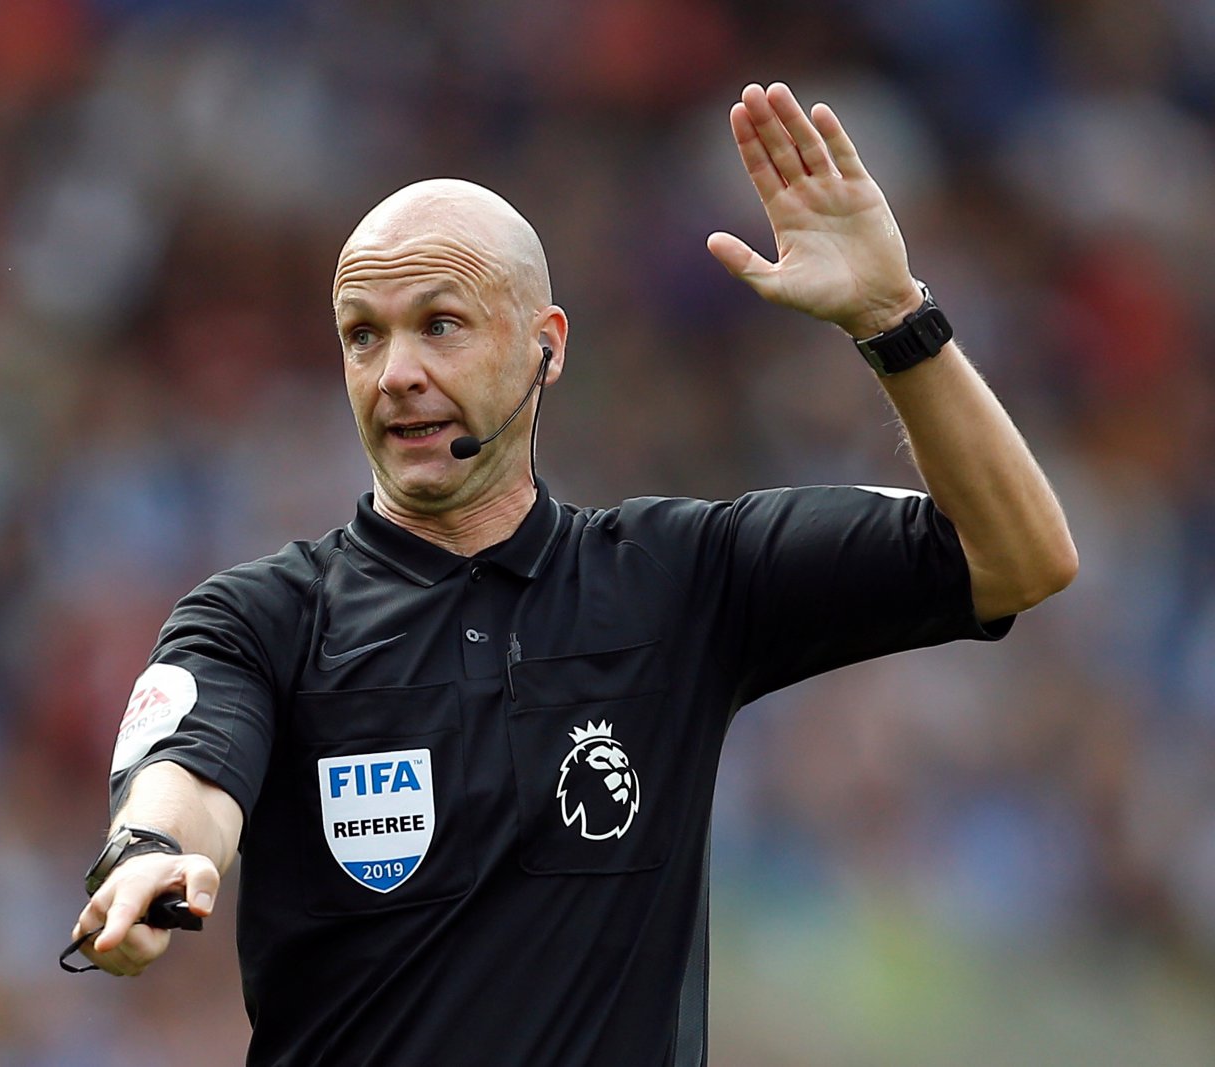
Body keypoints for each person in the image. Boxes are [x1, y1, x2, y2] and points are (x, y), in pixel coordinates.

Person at [67, 82, 1077, 1066]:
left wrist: (895, 319)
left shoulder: (682, 579)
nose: (396, 371)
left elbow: (1017, 556)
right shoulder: (262, 618)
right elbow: (189, 770)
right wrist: (150, 849)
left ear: (544, 347)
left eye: (441, 324)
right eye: (362, 335)